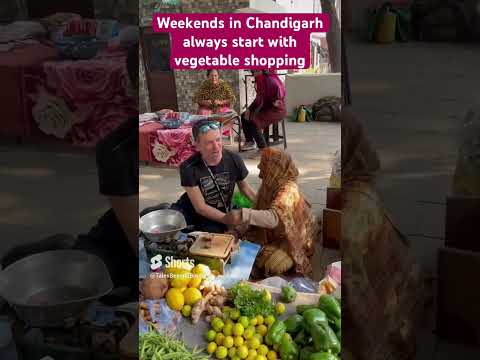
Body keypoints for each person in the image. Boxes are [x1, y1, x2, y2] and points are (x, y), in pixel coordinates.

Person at [341, 108, 426, 360]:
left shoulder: (350, 215)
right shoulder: (361, 186)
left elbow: (357, 303)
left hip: (378, 321)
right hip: (399, 303)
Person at [74, 43, 139, 297]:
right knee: (84, 286)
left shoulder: (186, 138)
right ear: (131, 86)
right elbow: (138, 244)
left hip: (158, 231)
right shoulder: (116, 150)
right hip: (117, 245)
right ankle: (63, 247)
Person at [224, 148, 318, 277]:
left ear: (275, 167)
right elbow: (257, 212)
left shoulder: (289, 189)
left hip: (290, 239)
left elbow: (274, 218)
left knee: (271, 262)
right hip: (273, 234)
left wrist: (243, 214)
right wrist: (237, 232)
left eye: (264, 165)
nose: (259, 170)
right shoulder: (269, 184)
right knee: (234, 244)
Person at [171, 119, 256, 233]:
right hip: (194, 212)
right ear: (197, 145)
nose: (216, 147)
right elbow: (200, 208)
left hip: (224, 209)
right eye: (209, 142)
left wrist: (264, 206)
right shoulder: (188, 167)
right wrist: (226, 220)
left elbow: (246, 189)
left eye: (218, 140)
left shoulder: (234, 159)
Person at [241, 70, 286, 151]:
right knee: (244, 115)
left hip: (276, 110)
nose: (253, 74)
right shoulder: (260, 80)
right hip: (266, 107)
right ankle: (250, 141)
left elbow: (280, 91)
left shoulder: (271, 80)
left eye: (254, 72)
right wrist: (249, 109)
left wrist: (277, 100)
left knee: (254, 120)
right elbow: (258, 99)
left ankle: (263, 148)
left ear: (261, 71)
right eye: (252, 72)